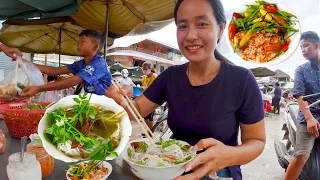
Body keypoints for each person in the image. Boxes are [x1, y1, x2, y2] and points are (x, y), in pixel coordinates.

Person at [107, 0, 266, 179]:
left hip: (219, 171)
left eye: (202, 24)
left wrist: (227, 155)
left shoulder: (241, 79)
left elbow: (256, 141)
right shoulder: (171, 76)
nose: (190, 35)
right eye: (183, 26)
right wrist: (119, 97)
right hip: (173, 166)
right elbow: (136, 110)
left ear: (220, 29)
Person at [18, 30, 113, 98]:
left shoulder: (99, 63)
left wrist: (39, 88)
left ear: (95, 47)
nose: (78, 45)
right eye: (78, 42)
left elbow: (74, 80)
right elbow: (55, 70)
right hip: (93, 101)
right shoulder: (81, 63)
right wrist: (26, 64)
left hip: (106, 102)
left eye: (82, 42)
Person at [285, 31, 320, 180]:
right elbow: (299, 96)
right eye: (301, 47)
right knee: (301, 156)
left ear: (317, 45)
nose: (303, 50)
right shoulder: (301, 70)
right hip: (309, 116)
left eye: (306, 46)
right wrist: (310, 119)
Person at [141, 62, 157, 130]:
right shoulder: (144, 77)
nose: (145, 71)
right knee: (145, 116)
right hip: (145, 98)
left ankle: (151, 132)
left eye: (146, 69)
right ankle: (148, 130)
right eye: (143, 69)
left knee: (150, 116)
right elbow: (144, 86)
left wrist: (146, 88)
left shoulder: (155, 76)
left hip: (153, 99)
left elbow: (156, 87)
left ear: (150, 69)